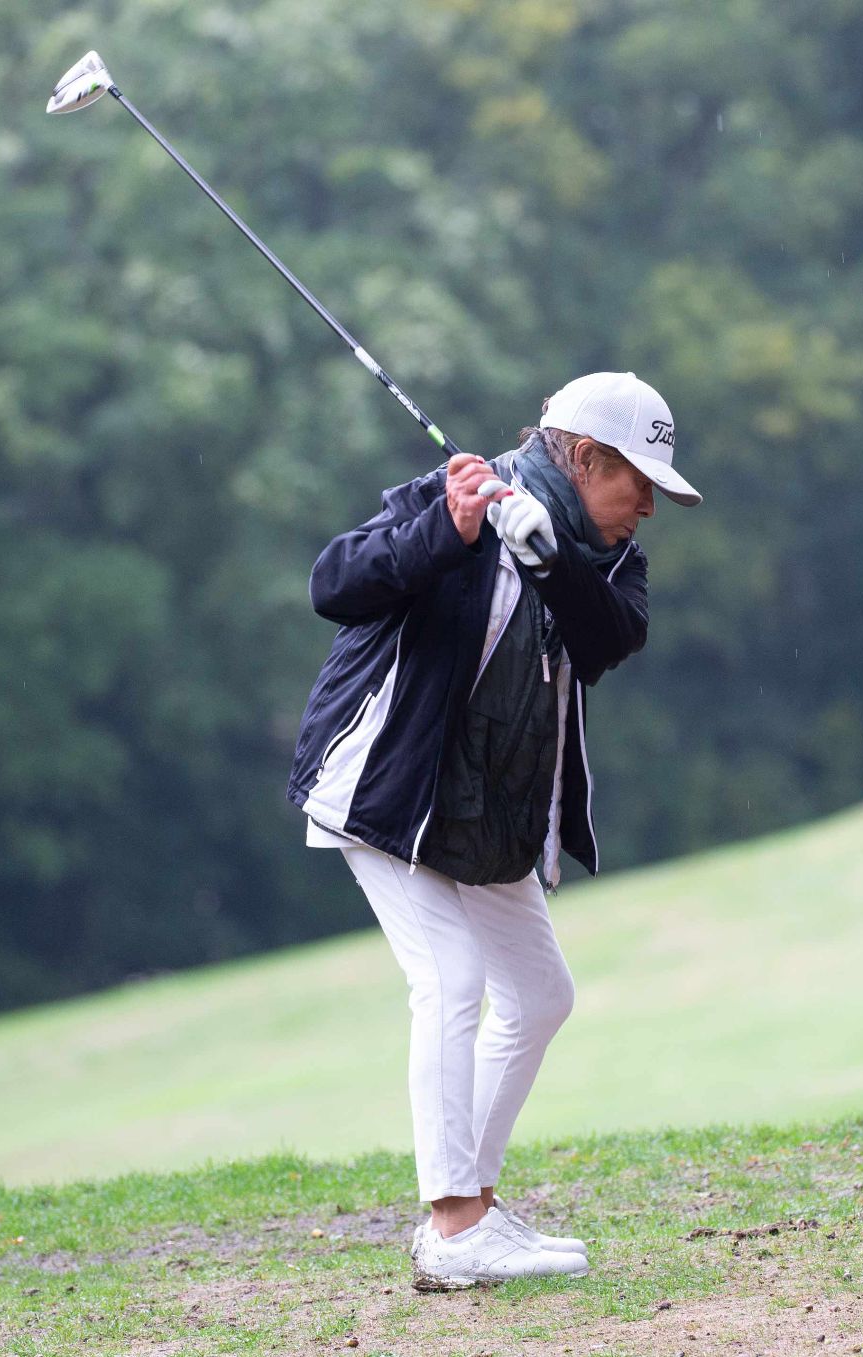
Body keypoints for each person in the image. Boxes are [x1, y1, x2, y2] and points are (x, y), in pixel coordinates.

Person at [287, 371, 701, 1290]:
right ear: (586, 457)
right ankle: (454, 1226)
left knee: (540, 993)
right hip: (390, 790)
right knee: (451, 979)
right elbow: (333, 582)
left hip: (488, 813)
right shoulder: (460, 495)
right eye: (638, 483)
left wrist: (549, 559)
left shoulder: (610, 560)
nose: (647, 508)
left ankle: (470, 1203)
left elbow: (607, 639)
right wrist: (448, 530)